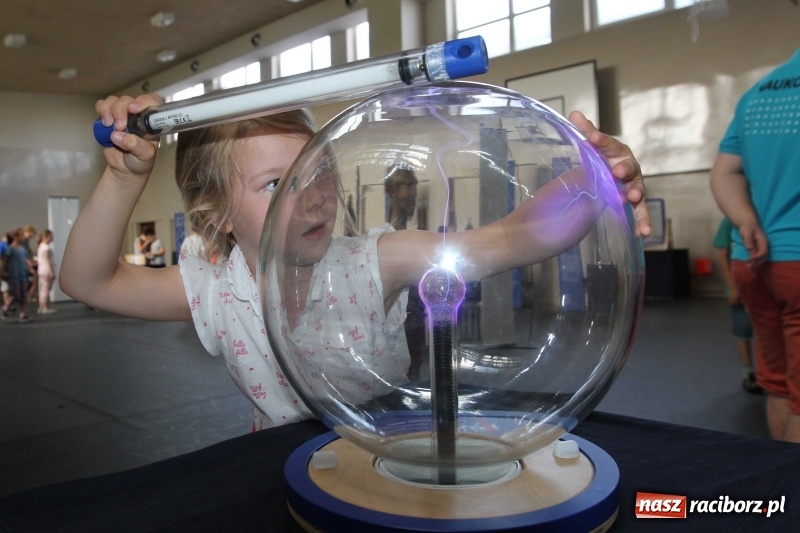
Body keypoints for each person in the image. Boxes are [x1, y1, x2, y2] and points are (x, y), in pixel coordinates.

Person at [60, 92, 650, 432]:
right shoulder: (219, 287)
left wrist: (595, 179)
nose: (315, 195)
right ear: (218, 215)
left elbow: (512, 238)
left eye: (319, 169)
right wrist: (124, 178)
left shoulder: (372, 263)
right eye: (277, 184)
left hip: (386, 451)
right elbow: (88, 281)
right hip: (283, 467)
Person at [710, 49, 800, 442]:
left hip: (752, 262)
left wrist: (746, 221)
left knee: (778, 384)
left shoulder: (759, 93)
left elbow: (724, 172)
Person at [384, 164, 426, 381]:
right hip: (394, 326)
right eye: (407, 188)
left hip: (414, 321)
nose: (412, 196)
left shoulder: (412, 238)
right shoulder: (382, 239)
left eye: (414, 190)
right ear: (392, 190)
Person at [712, 217, 759, 393]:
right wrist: (732, 287)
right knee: (743, 328)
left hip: (763, 284)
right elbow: (723, 256)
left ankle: (770, 373)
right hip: (740, 285)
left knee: (767, 330)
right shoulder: (729, 221)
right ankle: (748, 373)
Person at [3, 228, 34, 323]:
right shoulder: (10, 249)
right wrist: (3, 272)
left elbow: (26, 260)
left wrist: (30, 269)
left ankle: (12, 310)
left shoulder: (23, 249)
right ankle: (20, 312)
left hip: (23, 274)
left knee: (22, 294)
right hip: (13, 275)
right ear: (16, 237)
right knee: (17, 294)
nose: (23, 237)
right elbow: (4, 261)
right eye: (22, 235)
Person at [36, 229, 58, 314]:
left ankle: (42, 307)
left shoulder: (41, 246)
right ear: (46, 237)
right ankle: (44, 307)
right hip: (46, 271)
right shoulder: (46, 247)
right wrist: (52, 271)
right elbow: (48, 260)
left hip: (42, 270)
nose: (53, 238)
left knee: (44, 289)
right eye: (51, 236)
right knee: (46, 289)